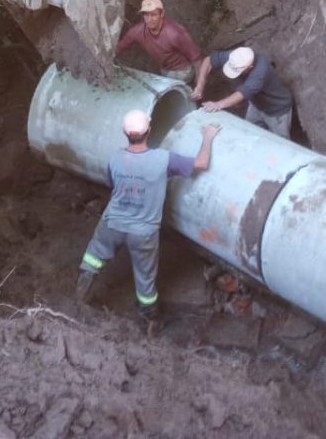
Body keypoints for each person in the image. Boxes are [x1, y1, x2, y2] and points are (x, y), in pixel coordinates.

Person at [76, 109, 220, 334]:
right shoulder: (163, 159)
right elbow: (201, 163)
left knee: (94, 256)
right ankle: (150, 319)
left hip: (112, 222)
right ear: (149, 131)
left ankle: (80, 297)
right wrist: (208, 136)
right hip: (143, 232)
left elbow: (112, 184)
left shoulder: (115, 158)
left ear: (125, 133)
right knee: (145, 277)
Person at [192, 46, 295, 141]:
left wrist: (217, 105)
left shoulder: (260, 73)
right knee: (249, 131)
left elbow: (241, 94)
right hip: (257, 105)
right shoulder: (237, 57)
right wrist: (200, 86)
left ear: (250, 67)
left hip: (277, 110)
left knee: (281, 142)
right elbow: (209, 60)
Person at [115, 0, 203, 83]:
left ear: (162, 14)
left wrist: (199, 86)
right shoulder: (138, 31)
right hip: (164, 68)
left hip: (182, 71)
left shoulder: (175, 33)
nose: (149, 19)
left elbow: (196, 59)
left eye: (153, 15)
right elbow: (119, 48)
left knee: (166, 86)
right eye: (146, 15)